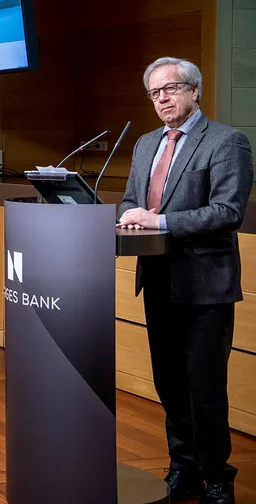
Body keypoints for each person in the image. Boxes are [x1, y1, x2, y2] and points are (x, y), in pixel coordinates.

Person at [118, 57, 253, 504]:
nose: (162, 99)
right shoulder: (145, 144)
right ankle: (184, 468)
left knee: (204, 388)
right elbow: (131, 200)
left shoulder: (227, 141)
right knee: (169, 383)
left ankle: (217, 477)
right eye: (155, 93)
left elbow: (227, 212)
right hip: (157, 279)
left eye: (171, 88)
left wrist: (157, 221)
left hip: (204, 285)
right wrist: (131, 215)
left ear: (195, 90)